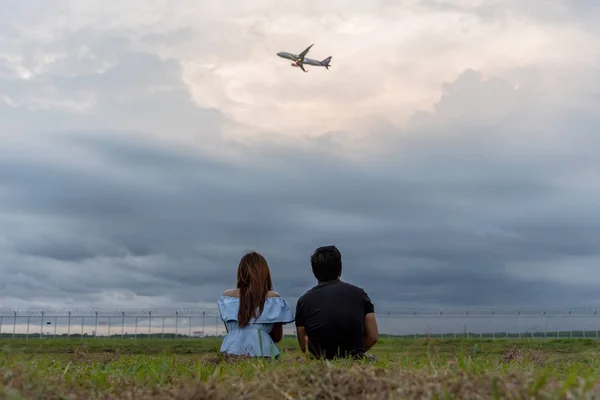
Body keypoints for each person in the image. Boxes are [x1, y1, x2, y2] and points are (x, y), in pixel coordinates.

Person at [295, 245, 379, 360]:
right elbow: (373, 336)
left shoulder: (304, 300)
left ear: (314, 271)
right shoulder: (360, 294)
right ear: (340, 268)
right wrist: (352, 355)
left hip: (320, 361)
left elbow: (304, 346)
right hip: (354, 359)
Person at [218, 251, 294, 359]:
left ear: (240, 272)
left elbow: (230, 331)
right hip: (264, 354)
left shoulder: (227, 298)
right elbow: (277, 337)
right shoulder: (273, 298)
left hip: (230, 354)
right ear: (265, 273)